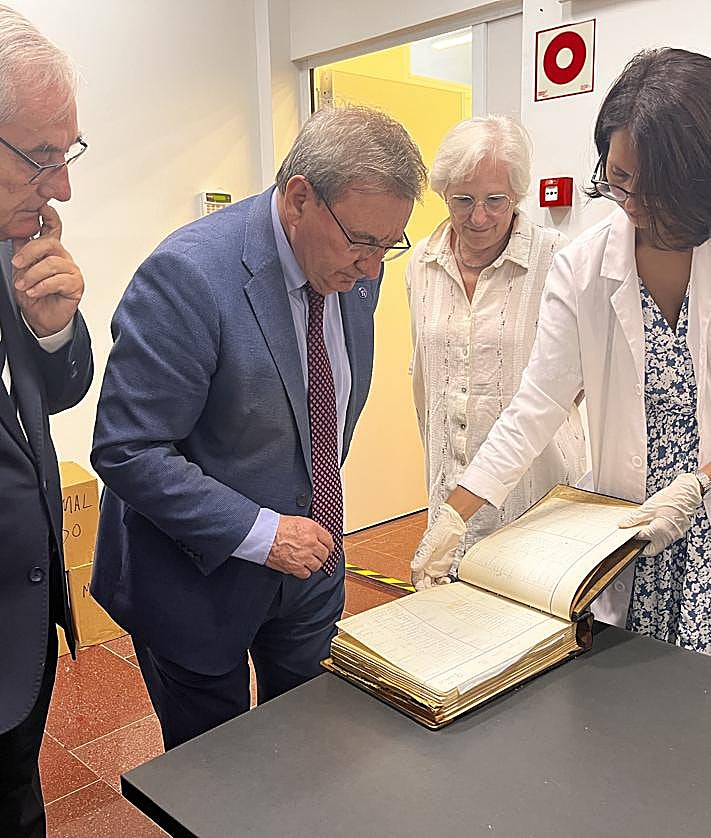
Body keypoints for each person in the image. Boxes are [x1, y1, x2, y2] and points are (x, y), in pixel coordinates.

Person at [90, 105, 426, 749]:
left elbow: (317, 414)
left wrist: (307, 533)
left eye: (390, 244)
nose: (374, 268)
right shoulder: (188, 276)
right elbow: (129, 449)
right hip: (196, 582)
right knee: (215, 776)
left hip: (312, 568)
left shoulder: (355, 271)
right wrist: (263, 534)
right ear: (299, 199)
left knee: (307, 750)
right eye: (362, 241)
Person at [411, 47, 711, 655]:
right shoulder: (585, 265)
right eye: (616, 179)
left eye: (649, 189)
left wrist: (699, 484)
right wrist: (456, 512)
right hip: (629, 531)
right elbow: (537, 403)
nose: (629, 204)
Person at [406, 115, 586, 570]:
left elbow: (576, 381)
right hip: (448, 493)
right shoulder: (420, 264)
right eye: (463, 200)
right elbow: (426, 380)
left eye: (495, 200)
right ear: (443, 192)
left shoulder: (558, 259)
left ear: (518, 196)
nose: (478, 216)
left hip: (536, 496)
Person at [0, 6, 93, 836]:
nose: (61, 186)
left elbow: (59, 390)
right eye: (41, 158)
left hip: (22, 634)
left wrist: (53, 326)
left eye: (68, 155)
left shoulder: (15, 245)